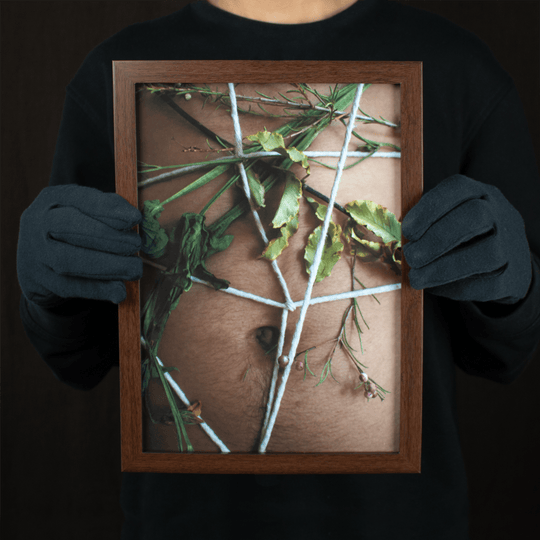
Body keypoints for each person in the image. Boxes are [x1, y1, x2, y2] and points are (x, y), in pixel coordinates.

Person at [16, 0, 540, 538]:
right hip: (183, 521)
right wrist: (50, 293)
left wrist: (513, 290)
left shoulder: (454, 66)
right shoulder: (118, 72)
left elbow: (504, 355)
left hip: (396, 520)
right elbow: (81, 358)